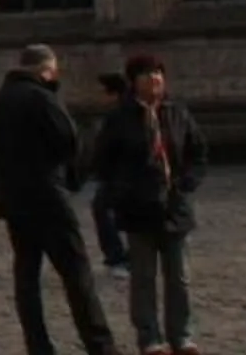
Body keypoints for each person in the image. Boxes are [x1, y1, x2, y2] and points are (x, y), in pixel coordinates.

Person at [0, 44, 121, 355]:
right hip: (47, 194)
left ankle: (38, 346)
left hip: (12, 197)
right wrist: (70, 177)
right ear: (48, 69)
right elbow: (68, 140)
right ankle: (100, 345)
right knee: (76, 272)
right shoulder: (41, 98)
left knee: (27, 274)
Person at [91, 53, 206, 355]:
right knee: (143, 278)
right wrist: (123, 192)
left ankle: (181, 336)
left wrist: (186, 184)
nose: (154, 79)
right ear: (133, 82)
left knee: (179, 278)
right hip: (138, 209)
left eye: (158, 74)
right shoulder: (119, 118)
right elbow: (103, 161)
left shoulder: (177, 113)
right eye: (146, 75)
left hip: (174, 206)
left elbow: (198, 153)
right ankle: (150, 338)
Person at [87, 72, 131, 274]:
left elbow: (104, 148)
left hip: (119, 175)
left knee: (103, 209)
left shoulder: (118, 115)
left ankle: (117, 257)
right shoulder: (127, 110)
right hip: (122, 173)